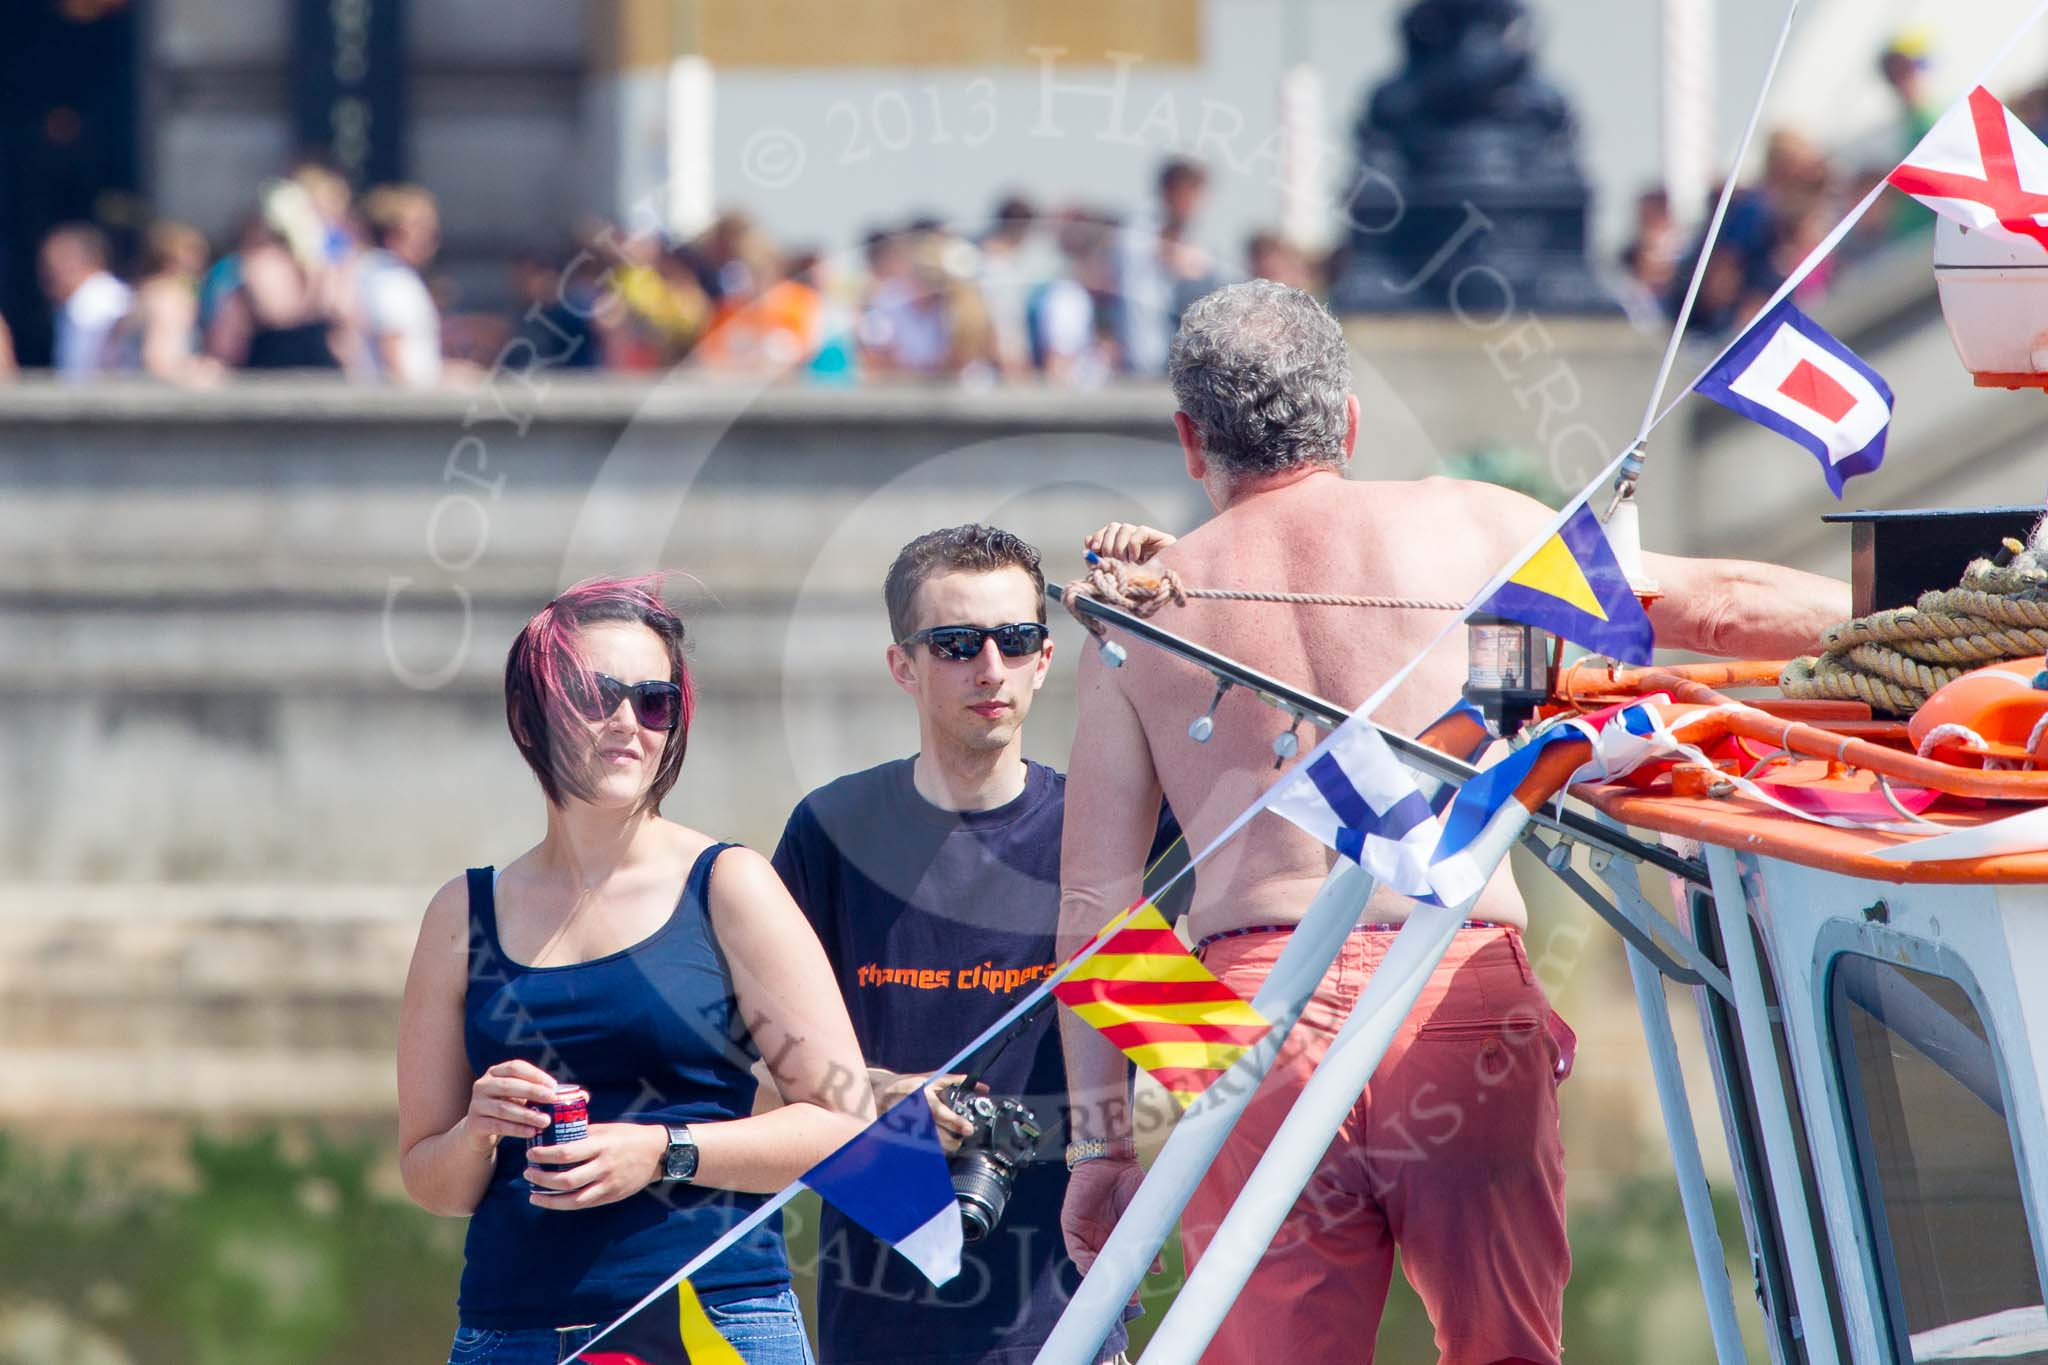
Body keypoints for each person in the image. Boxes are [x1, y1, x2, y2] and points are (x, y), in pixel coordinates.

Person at [1056, 281, 1851, 1365]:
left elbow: (1097, 911)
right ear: (1345, 420)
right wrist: (1951, 607)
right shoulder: (1471, 524)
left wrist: (1100, 1146)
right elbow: (1712, 606)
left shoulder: (1141, 604)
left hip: (1238, 1014)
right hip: (1455, 986)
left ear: (1191, 440)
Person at [397, 575, 874, 1365]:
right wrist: (479, 1128)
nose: (627, 721)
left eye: (653, 700)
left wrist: (663, 1149)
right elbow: (431, 1180)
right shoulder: (462, 912)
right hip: (509, 1334)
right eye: (594, 694)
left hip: (711, 1321)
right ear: (530, 712)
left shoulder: (730, 885)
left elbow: (846, 1125)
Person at [772, 525, 1151, 1365]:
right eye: (956, 644)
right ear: (902, 665)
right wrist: (882, 1094)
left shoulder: (1104, 828)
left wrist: (1174, 607)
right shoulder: (833, 832)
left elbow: (1213, 1042)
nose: (991, 667)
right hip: (872, 1327)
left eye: (1015, 641)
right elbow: (754, 1080)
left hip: (1068, 1325)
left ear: (1047, 658)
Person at [356, 183, 444, 386]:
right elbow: (393, 357)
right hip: (405, 407)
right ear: (392, 232)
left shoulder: (383, 273)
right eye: (420, 228)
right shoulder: (390, 281)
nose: (430, 237)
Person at [39, 223, 131, 380]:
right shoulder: (78, 303)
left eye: (52, 265)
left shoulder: (100, 300)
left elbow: (82, 372)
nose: (45, 274)